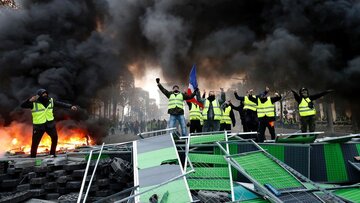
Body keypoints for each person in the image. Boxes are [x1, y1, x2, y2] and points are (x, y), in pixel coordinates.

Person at [21, 88, 78, 158]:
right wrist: (29, 100)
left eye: (46, 93)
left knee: (55, 138)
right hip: (39, 126)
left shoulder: (50, 101)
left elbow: (60, 104)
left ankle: (52, 154)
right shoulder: (33, 103)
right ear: (39, 95)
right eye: (43, 94)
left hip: (49, 124)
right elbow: (22, 105)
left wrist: (70, 106)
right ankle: (33, 156)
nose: (45, 95)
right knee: (35, 143)